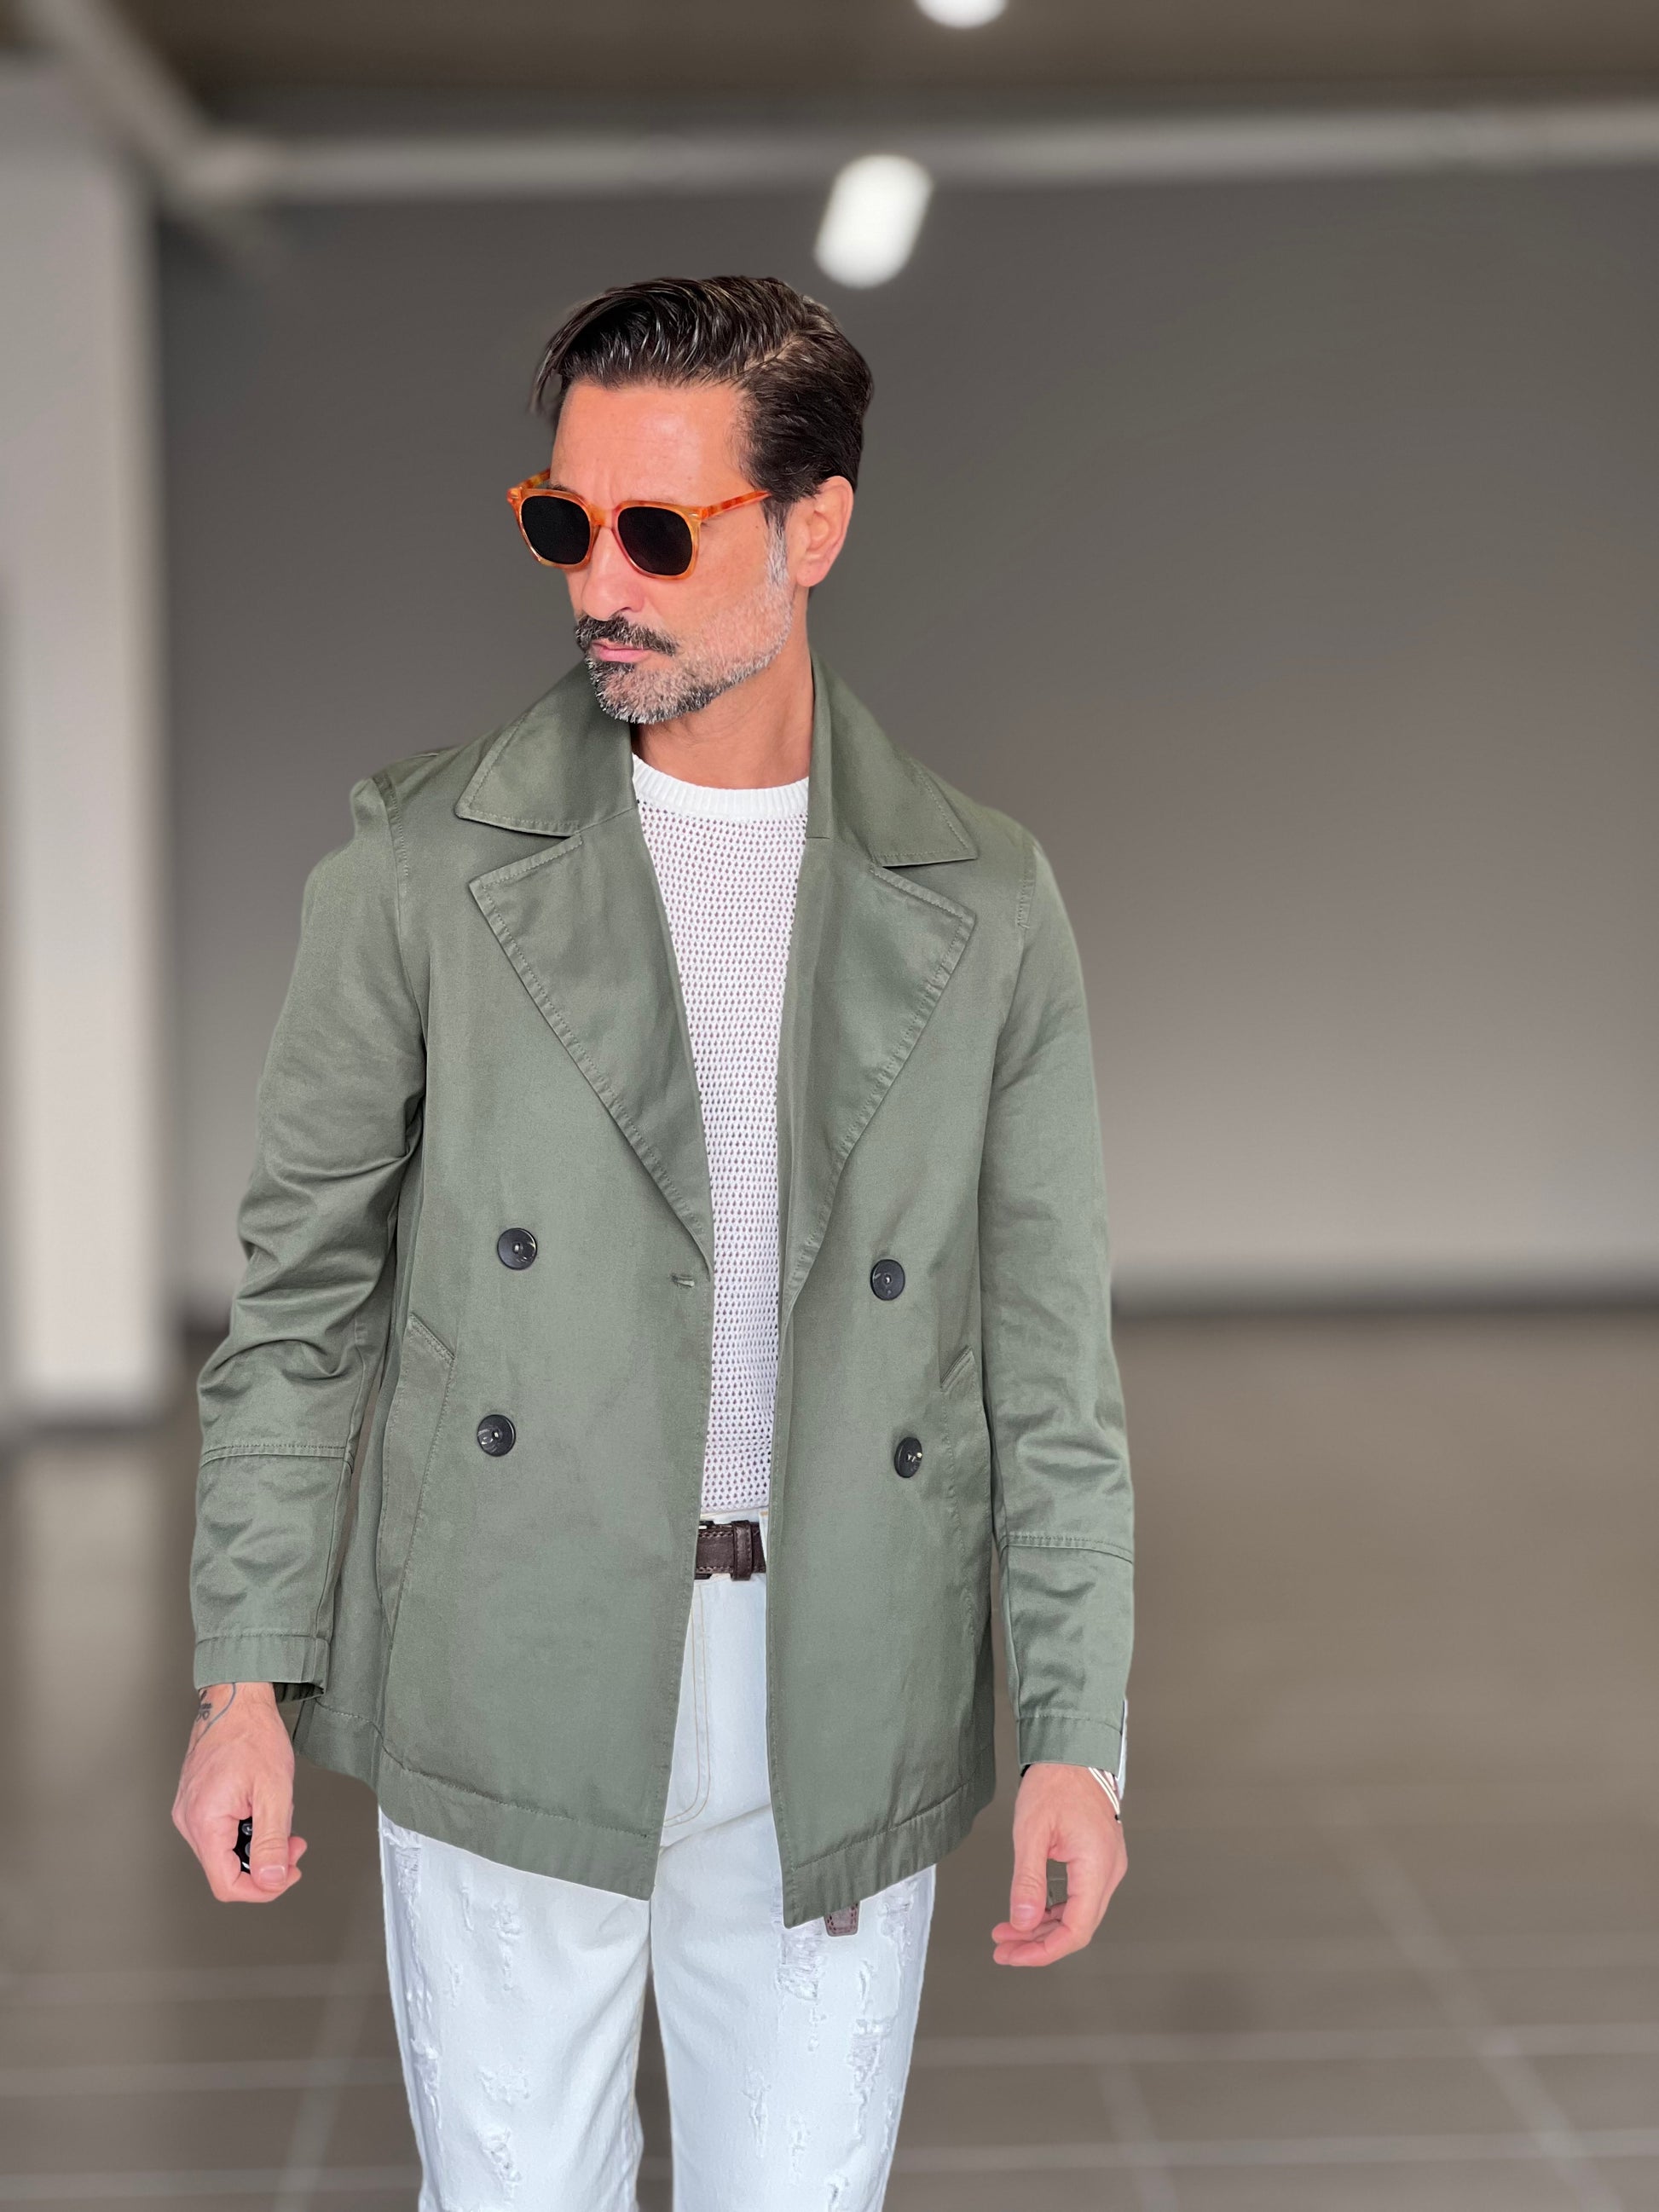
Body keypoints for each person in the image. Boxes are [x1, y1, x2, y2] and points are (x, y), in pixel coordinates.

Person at [173, 273, 1133, 2211]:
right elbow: (301, 1308)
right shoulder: (420, 865)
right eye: (563, 522)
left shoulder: (984, 897)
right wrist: (242, 1676)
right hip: (510, 1649)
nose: (596, 583)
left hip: (844, 1667)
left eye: (656, 533)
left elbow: (1045, 1361)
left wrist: (1077, 1732)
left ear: (813, 527)